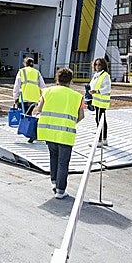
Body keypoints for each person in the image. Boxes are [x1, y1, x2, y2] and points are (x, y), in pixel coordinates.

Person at [34, 68, 84, 199]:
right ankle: (60, 191)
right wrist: (71, 122)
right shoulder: (77, 96)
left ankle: (54, 182)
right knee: (63, 162)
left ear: (57, 78)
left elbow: (38, 110)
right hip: (66, 134)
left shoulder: (47, 91)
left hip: (49, 132)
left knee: (53, 157)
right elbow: (81, 116)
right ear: (70, 80)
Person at [89, 57, 111, 147]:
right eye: (96, 64)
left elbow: (107, 88)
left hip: (101, 101)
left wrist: (97, 91)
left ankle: (99, 140)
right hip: (97, 101)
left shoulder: (105, 75)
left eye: (99, 64)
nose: (97, 66)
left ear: (103, 65)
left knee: (99, 120)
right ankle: (104, 139)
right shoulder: (97, 74)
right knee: (102, 120)